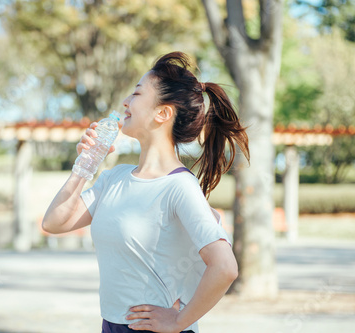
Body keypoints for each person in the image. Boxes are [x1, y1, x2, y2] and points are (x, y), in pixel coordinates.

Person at [42, 51, 250, 333]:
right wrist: (84, 165)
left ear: (163, 113)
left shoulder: (179, 187)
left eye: (136, 94)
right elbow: (54, 222)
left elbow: (225, 268)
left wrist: (178, 320)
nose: (126, 102)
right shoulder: (113, 178)